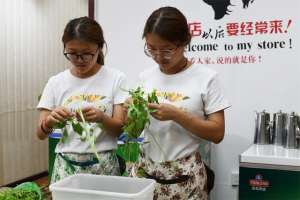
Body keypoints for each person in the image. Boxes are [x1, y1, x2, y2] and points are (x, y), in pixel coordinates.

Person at [131, 6, 230, 200]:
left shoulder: (206, 78)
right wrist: (133, 112)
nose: (159, 57)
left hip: (186, 179)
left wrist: (177, 115)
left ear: (185, 41)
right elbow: (134, 132)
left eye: (167, 50)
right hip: (146, 174)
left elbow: (217, 133)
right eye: (151, 49)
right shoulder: (145, 78)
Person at [36, 17, 127, 183]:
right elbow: (40, 134)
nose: (79, 60)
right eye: (72, 54)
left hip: (103, 166)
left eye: (86, 54)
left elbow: (119, 130)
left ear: (99, 48)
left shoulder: (116, 78)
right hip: (66, 167)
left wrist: (102, 118)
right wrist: (49, 122)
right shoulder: (56, 82)